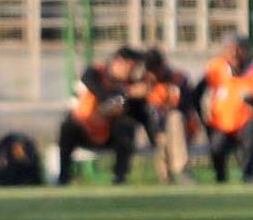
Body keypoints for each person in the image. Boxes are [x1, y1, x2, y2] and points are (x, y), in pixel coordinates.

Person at [58, 46, 155, 185]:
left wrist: (155, 137)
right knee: (67, 127)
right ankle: (63, 178)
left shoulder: (127, 85)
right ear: (118, 62)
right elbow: (103, 95)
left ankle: (119, 178)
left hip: (108, 133)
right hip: (84, 129)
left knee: (126, 128)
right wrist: (127, 93)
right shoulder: (96, 73)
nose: (132, 72)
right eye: (130, 67)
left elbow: (139, 113)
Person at [192, 34, 253, 182]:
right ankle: (221, 178)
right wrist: (203, 119)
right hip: (221, 124)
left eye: (239, 49)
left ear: (246, 50)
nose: (235, 53)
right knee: (217, 148)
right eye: (230, 49)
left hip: (247, 122)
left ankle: (248, 176)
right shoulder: (216, 68)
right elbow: (196, 94)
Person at [144, 48, 196, 184]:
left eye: (157, 69)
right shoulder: (146, 84)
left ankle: (181, 170)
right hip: (158, 129)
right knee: (161, 139)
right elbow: (148, 114)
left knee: (175, 117)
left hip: (182, 128)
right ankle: (165, 177)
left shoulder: (178, 79)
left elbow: (183, 107)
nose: (155, 74)